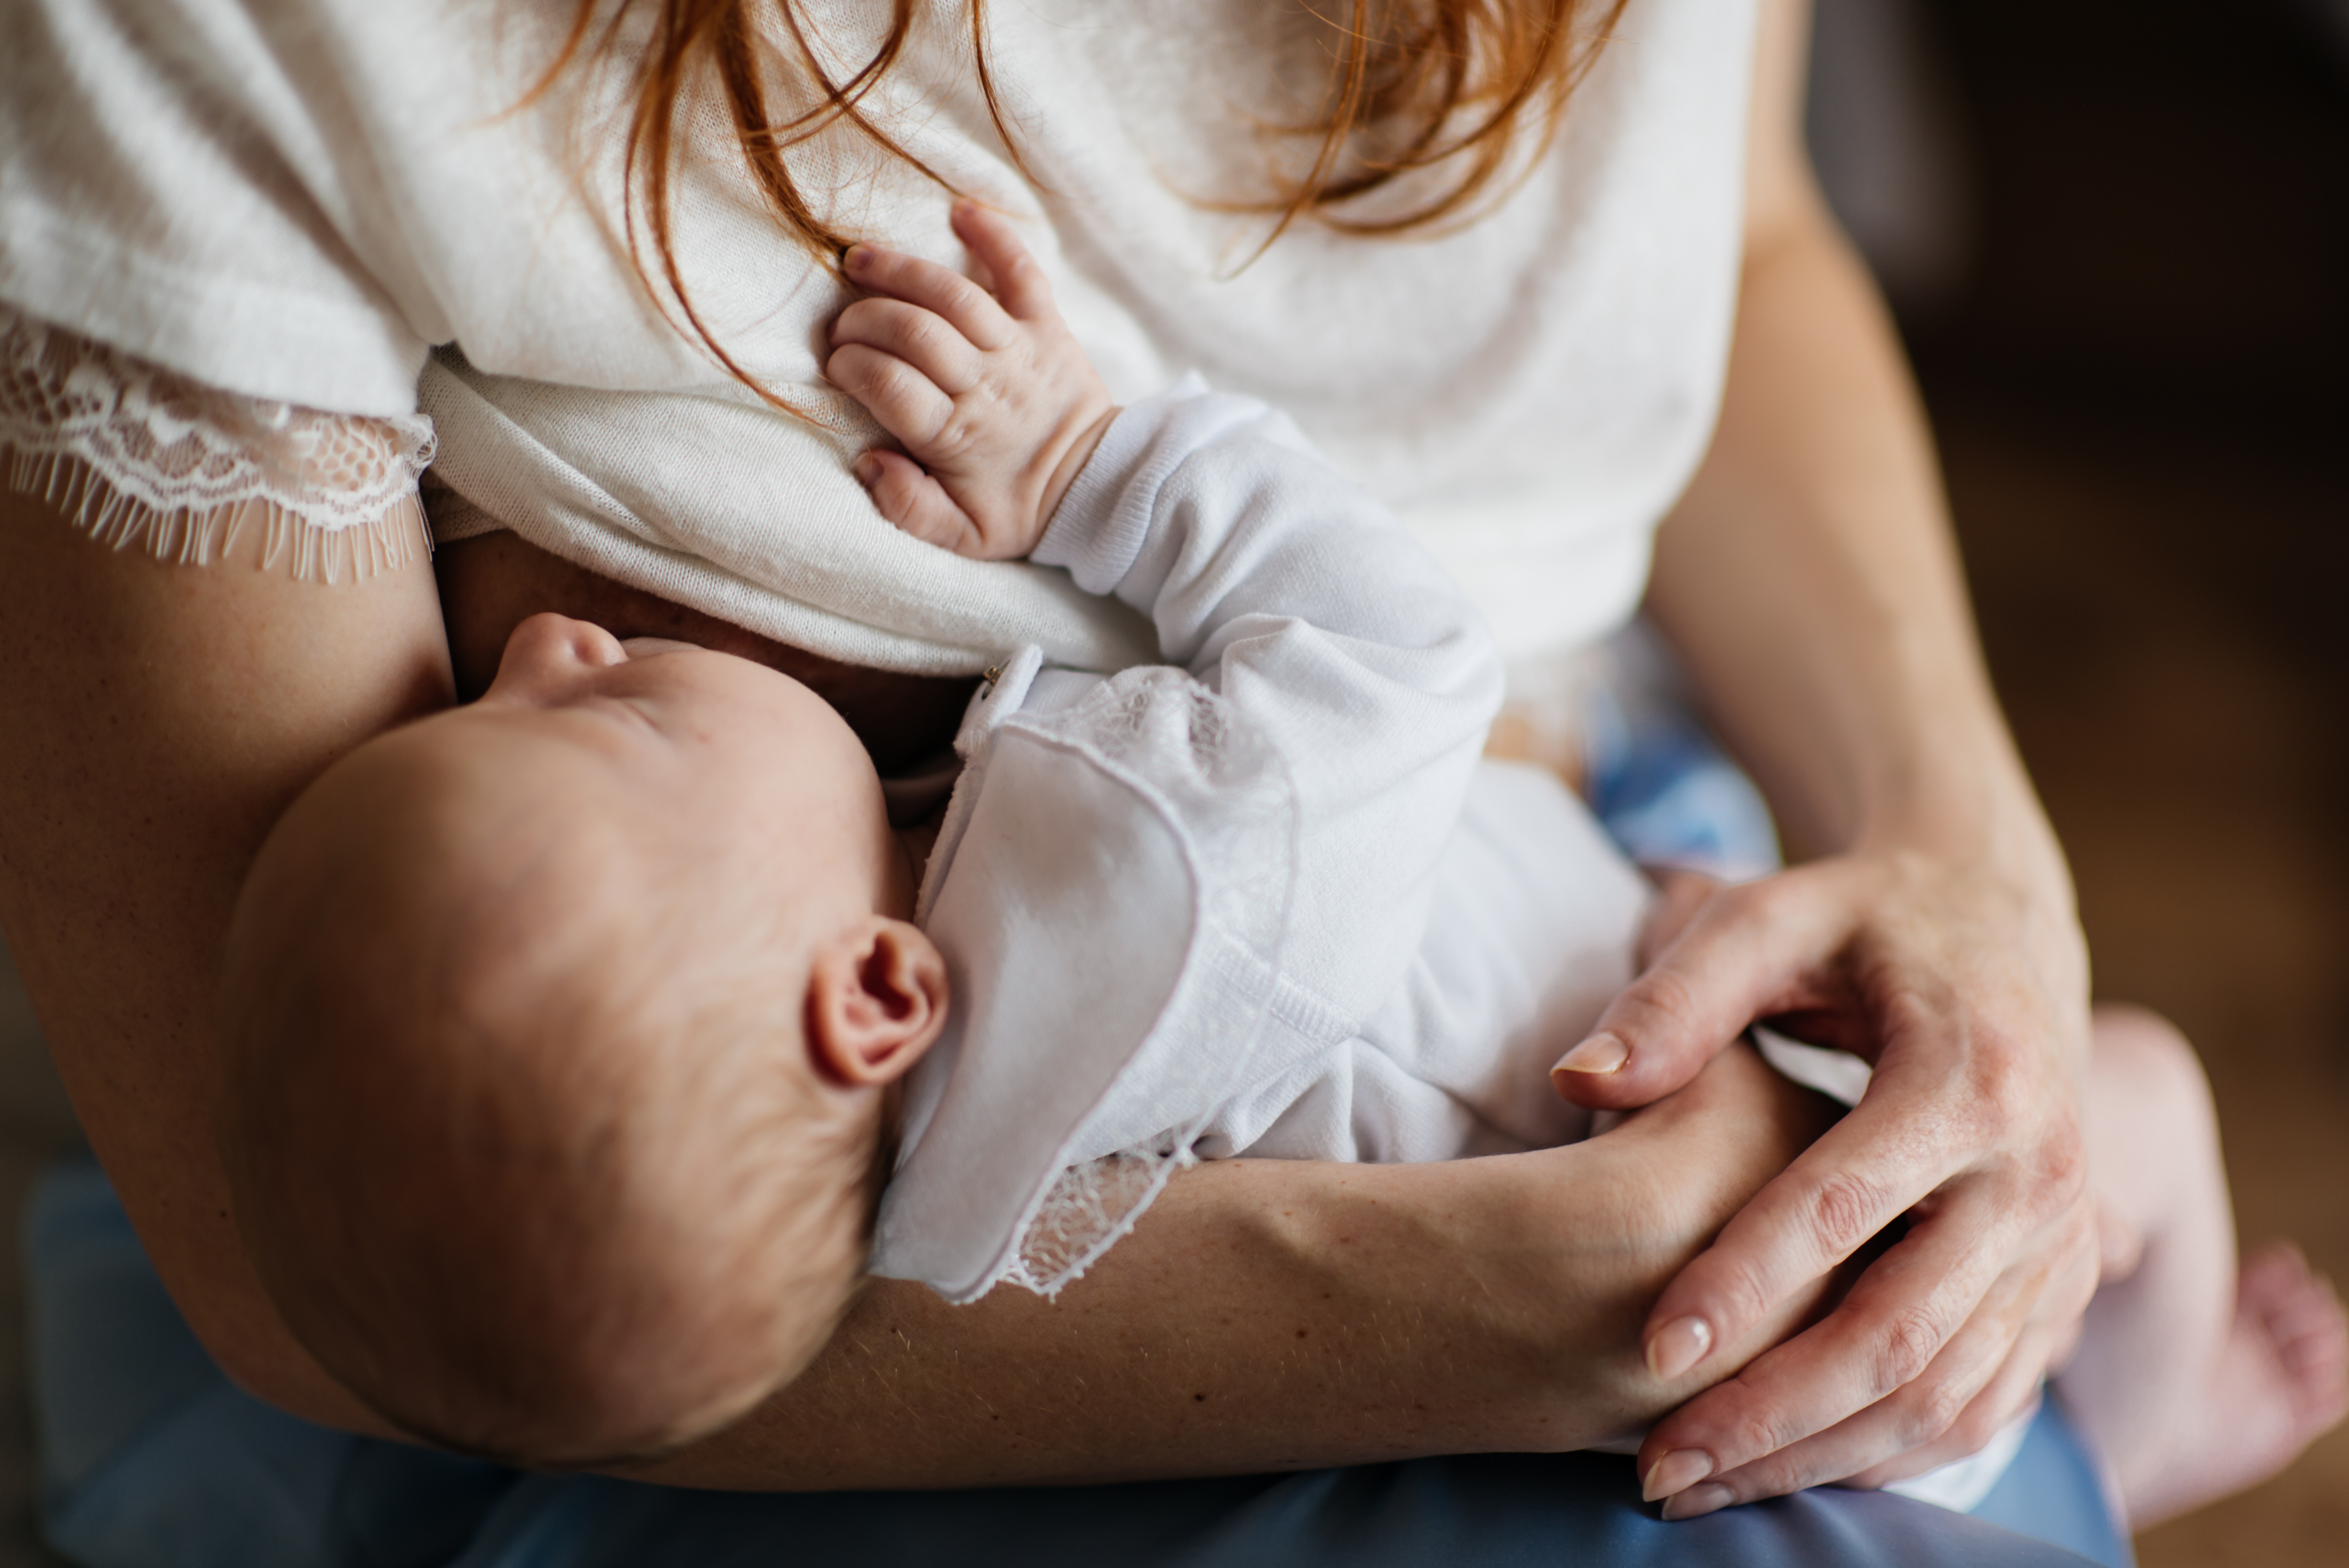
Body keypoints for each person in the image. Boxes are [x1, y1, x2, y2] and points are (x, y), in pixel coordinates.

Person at [0, 0, 2260, 1561]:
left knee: (2073, 1160)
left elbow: (1744, 231)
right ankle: (2139, 1424)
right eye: (599, 706)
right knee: (2132, 1153)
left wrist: (1973, 851)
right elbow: (1387, 663)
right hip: (1604, 1120)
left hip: (1616, 1001)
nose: (560, 653)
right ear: (876, 996)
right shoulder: (1133, 861)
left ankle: (2115, 1418)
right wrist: (1100, 472)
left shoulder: (838, 1114)